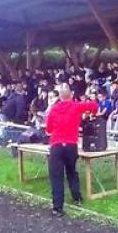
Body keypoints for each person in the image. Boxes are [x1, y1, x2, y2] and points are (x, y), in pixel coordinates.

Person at [44, 84, 97, 217]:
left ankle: (57, 208)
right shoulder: (76, 106)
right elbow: (94, 105)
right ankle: (77, 198)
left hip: (56, 145)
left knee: (56, 177)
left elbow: (49, 129)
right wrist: (92, 115)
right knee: (72, 172)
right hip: (71, 145)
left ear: (60, 97)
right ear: (71, 95)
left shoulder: (54, 109)